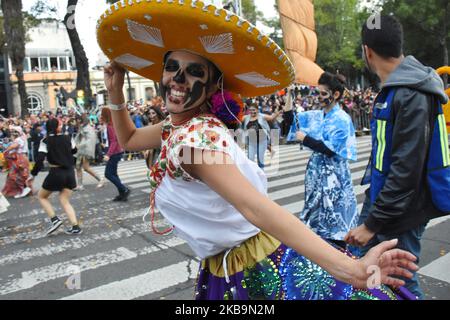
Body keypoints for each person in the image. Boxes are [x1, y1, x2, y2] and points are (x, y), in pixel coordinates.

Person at [99, 1, 418, 300]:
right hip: (225, 268)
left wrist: (352, 271)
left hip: (256, 271)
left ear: (212, 87)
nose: (179, 79)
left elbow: (256, 208)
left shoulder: (193, 143)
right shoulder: (179, 127)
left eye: (195, 72)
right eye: (172, 67)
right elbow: (129, 140)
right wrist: (115, 91)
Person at [344, 15, 449, 300]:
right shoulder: (399, 88)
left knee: (399, 281)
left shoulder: (410, 92)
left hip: (403, 210)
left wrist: (371, 224)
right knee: (371, 274)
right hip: (387, 203)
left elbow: (406, 170)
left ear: (367, 51)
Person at [295, 72, 358, 250]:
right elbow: (292, 119)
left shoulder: (342, 119)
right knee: (315, 218)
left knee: (335, 219)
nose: (319, 97)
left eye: (323, 94)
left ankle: (339, 260)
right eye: (318, 93)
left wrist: (305, 139)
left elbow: (330, 150)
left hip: (334, 177)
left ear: (335, 95)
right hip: (316, 174)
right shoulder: (315, 115)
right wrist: (287, 103)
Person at [28, 118, 81, 235]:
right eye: (60, 124)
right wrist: (69, 159)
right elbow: (75, 151)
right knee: (65, 200)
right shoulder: (68, 138)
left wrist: (33, 174)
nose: (62, 125)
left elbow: (40, 159)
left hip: (56, 172)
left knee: (41, 196)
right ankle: (75, 226)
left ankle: (54, 220)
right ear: (57, 127)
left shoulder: (45, 141)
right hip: (70, 172)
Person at [100, 107, 130, 201]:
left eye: (102, 114)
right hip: (117, 151)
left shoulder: (110, 126)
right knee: (114, 174)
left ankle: (124, 189)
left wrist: (108, 154)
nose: (100, 116)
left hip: (115, 152)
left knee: (108, 174)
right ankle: (122, 194)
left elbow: (114, 141)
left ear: (105, 115)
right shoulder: (111, 124)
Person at [242, 104, 281, 168]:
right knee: (250, 158)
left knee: (260, 159)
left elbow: (271, 118)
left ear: (257, 110)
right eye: (250, 110)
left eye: (254, 110)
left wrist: (277, 113)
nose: (252, 112)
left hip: (262, 141)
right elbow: (237, 118)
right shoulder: (246, 117)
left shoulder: (262, 116)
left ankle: (261, 173)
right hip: (252, 142)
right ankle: (252, 174)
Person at [74, 115, 105, 190]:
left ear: (79, 120)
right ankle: (80, 185)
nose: (75, 122)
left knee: (86, 167)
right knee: (78, 166)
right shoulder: (83, 127)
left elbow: (90, 139)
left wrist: (81, 145)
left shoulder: (87, 127)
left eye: (76, 120)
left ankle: (101, 179)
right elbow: (79, 138)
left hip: (85, 149)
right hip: (81, 149)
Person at [1, 126, 32, 198]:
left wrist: (6, 150)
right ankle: (22, 190)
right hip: (22, 158)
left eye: (13, 132)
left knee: (15, 175)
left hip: (19, 159)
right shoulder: (22, 137)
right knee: (20, 175)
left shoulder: (18, 139)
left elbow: (14, 146)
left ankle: (21, 190)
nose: (11, 133)